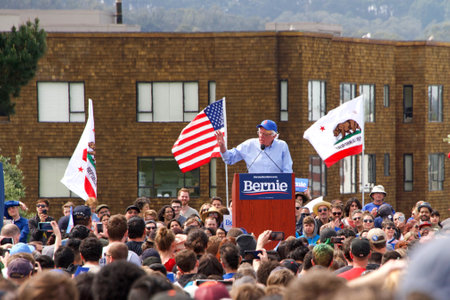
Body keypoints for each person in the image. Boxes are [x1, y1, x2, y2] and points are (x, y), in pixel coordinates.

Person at [215, 119, 293, 173]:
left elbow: (288, 170)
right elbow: (229, 158)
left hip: (277, 191)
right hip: (254, 191)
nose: (261, 136)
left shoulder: (282, 146)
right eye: (260, 133)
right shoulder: (249, 145)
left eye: (265, 134)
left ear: (274, 136)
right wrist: (222, 147)